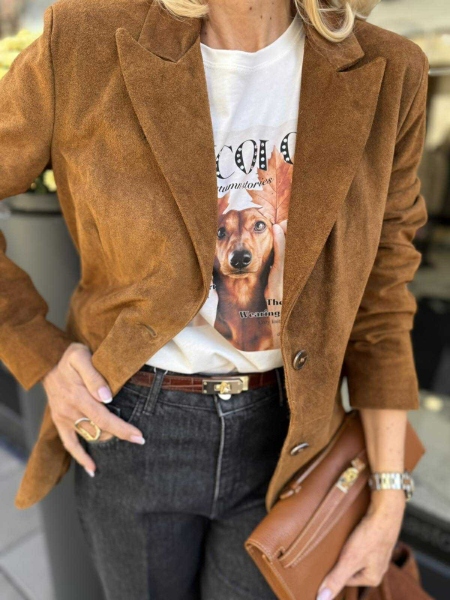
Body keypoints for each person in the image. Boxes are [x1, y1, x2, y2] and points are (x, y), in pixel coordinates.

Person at [0, 0, 429, 598]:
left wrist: (388, 495)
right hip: (133, 420)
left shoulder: (389, 69)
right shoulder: (85, 40)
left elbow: (382, 295)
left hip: (292, 437)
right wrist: (40, 351)